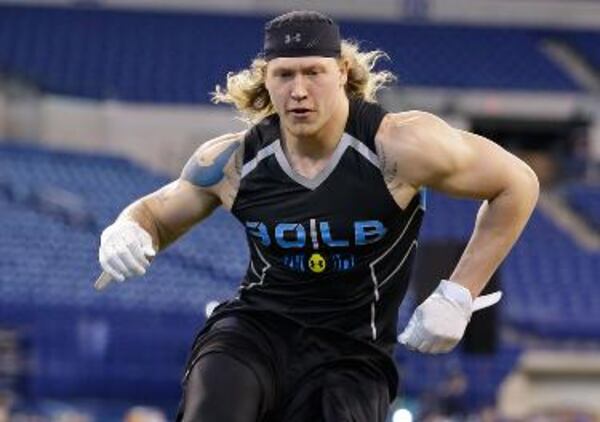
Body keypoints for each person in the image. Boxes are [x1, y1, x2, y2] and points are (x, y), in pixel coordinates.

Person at [96, 10, 539, 422]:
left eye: (314, 72)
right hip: (255, 331)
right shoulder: (234, 161)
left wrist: (459, 295)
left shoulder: (400, 146)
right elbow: (157, 213)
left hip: (352, 353)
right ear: (266, 81)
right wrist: (127, 228)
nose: (299, 90)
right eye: (284, 75)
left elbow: (517, 182)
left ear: (342, 72)